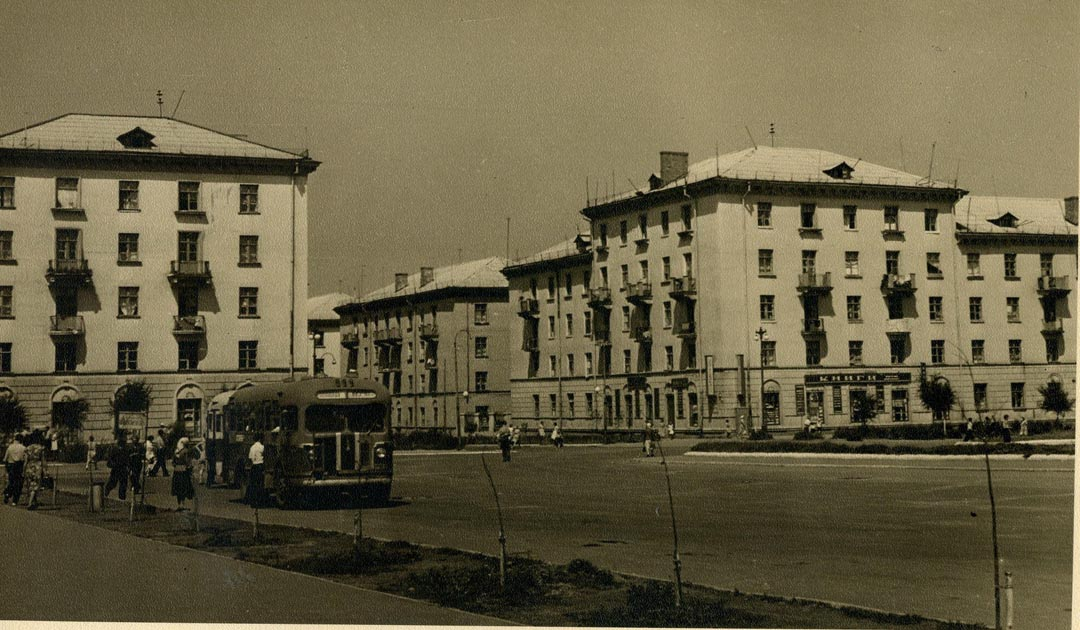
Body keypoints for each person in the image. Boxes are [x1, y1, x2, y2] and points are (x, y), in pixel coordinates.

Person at [23, 432, 46, 510]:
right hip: (37, 468)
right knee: (35, 486)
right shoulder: (41, 448)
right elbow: (43, 460)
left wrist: (23, 470)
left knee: (30, 485)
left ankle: (34, 502)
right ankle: (30, 503)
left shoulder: (27, 448)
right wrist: (45, 470)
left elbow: (25, 461)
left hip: (29, 467)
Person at [104, 434, 131, 500]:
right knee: (114, 482)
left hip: (121, 469)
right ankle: (107, 490)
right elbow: (110, 459)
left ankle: (121, 497)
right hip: (117, 468)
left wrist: (128, 467)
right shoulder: (116, 450)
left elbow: (128, 460)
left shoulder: (125, 450)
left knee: (122, 483)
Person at [171, 437, 195, 510]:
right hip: (184, 472)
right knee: (184, 488)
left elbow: (173, 463)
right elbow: (188, 462)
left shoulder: (176, 451)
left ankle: (179, 505)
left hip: (176, 471)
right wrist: (190, 469)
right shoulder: (186, 451)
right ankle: (183, 504)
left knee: (177, 488)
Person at [3, 434, 27, 505]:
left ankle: (8, 493)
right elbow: (25, 459)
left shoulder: (10, 447)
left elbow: (5, 458)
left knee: (11, 481)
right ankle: (15, 500)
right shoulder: (23, 448)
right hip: (19, 465)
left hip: (11, 465)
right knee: (18, 483)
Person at [244, 434, 265, 506]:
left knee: (253, 484)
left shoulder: (252, 447)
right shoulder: (262, 447)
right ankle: (259, 501)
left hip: (254, 466)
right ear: (260, 439)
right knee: (260, 484)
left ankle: (252, 501)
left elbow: (250, 458)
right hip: (260, 466)